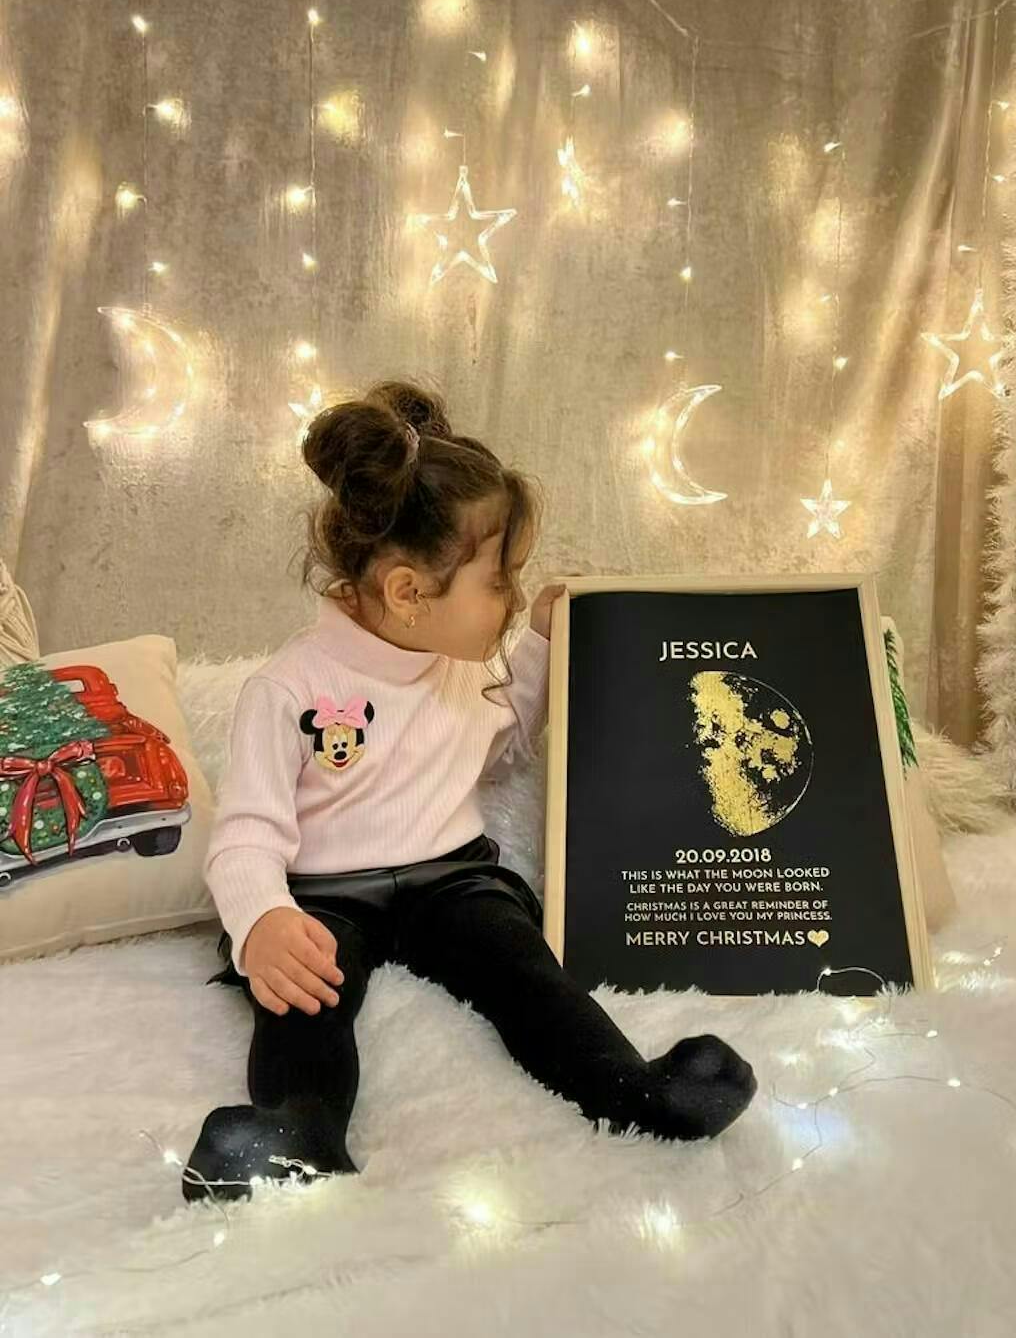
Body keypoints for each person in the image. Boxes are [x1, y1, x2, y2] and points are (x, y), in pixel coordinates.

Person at [182, 379, 756, 1203]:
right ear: (409, 593)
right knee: (307, 994)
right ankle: (296, 1128)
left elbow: (504, 736)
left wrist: (544, 642)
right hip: (323, 892)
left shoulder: (462, 665)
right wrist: (262, 918)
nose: (513, 599)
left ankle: (632, 1089)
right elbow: (245, 835)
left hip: (451, 877)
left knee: (523, 967)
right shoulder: (287, 688)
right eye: (500, 582)